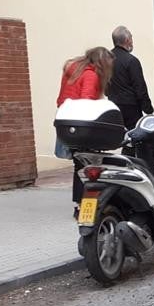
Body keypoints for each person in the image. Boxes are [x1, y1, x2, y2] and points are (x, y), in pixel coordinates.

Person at [56, 46, 114, 209]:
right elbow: (86, 102)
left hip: (67, 121)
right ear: (102, 62)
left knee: (79, 163)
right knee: (88, 164)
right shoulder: (91, 75)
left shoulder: (75, 70)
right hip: (83, 125)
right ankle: (86, 202)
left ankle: (79, 202)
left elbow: (62, 98)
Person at [107, 26, 154, 129]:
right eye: (131, 39)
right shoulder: (131, 61)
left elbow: (104, 85)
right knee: (137, 140)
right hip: (131, 109)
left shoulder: (106, 60)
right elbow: (140, 88)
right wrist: (148, 109)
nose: (132, 42)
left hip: (113, 108)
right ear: (127, 40)